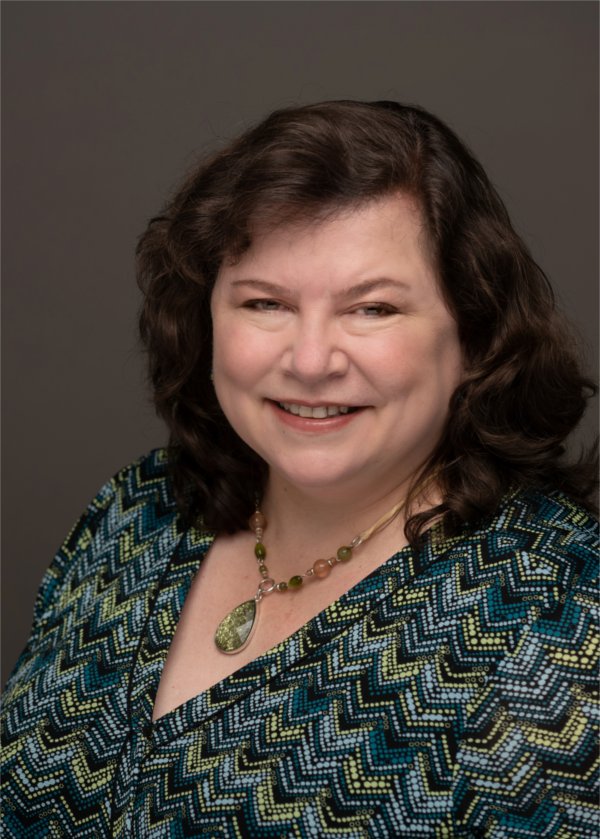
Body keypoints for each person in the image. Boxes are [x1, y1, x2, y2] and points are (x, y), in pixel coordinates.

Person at [2, 100, 598, 838]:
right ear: (207, 318)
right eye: (266, 303)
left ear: (474, 336)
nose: (311, 361)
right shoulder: (135, 515)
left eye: (372, 309)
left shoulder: (556, 620)